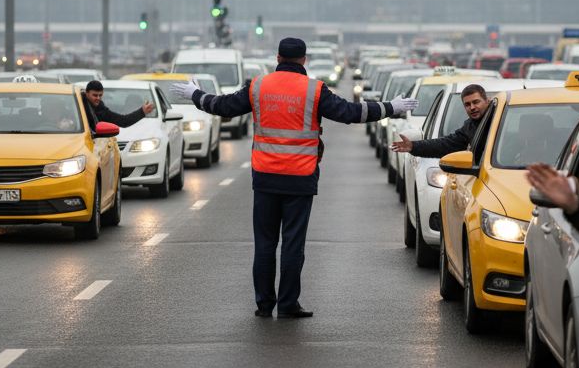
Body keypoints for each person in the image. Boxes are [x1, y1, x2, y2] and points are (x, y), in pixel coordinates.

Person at [170, 37, 418, 319]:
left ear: (277, 58)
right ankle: (288, 304)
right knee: (292, 245)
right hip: (300, 178)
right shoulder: (314, 89)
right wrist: (390, 107)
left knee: (265, 244)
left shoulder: (258, 86)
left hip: (265, 177)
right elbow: (351, 113)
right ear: (304, 60)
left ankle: (264, 305)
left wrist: (195, 94)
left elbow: (222, 106)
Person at [390, 84, 489, 158]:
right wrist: (413, 146)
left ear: (487, 101)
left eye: (476, 102)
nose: (472, 107)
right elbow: (445, 144)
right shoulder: (469, 126)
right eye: (467, 104)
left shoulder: (497, 121)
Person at [82, 80, 155, 129]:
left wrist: (142, 111)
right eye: (95, 95)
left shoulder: (101, 110)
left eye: (100, 95)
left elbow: (123, 121)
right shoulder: (79, 107)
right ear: (87, 93)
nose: (98, 98)